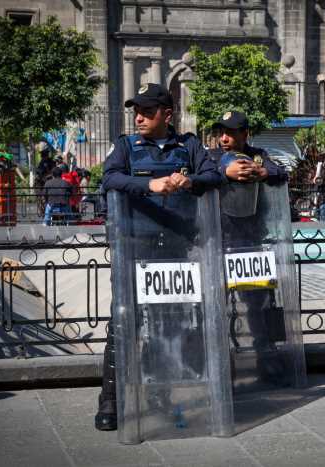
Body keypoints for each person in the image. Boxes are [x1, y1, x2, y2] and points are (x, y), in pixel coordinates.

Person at [95, 83, 221, 431]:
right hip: (135, 245)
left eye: (147, 112)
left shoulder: (189, 145)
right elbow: (109, 178)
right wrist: (149, 185)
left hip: (177, 248)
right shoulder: (126, 146)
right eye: (136, 111)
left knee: (167, 324)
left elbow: (212, 177)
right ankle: (111, 400)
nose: (138, 117)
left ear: (167, 114)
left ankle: (161, 393)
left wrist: (187, 180)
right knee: (124, 322)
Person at [208, 110, 290, 382]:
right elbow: (201, 175)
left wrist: (264, 171)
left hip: (250, 242)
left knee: (257, 304)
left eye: (230, 133)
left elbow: (281, 172)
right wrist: (223, 170)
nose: (224, 138)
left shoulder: (257, 155)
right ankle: (220, 362)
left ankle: (265, 357)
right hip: (219, 242)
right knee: (217, 305)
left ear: (245, 134)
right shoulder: (212, 157)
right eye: (221, 133)